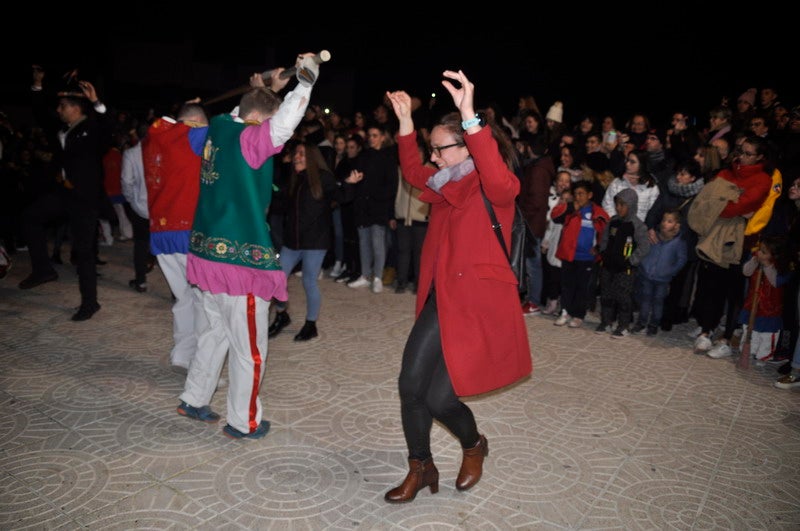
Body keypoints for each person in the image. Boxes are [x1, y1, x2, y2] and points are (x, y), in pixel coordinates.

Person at [383, 70, 531, 503]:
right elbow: (413, 172)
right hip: (439, 298)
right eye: (431, 149)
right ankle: (421, 466)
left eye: (439, 149)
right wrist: (406, 122)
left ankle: (473, 445)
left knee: (440, 397)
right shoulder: (444, 188)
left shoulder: (494, 187)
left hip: (477, 304)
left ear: (467, 146)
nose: (432, 158)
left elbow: (497, 173)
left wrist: (470, 117)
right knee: (411, 386)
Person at [177, 53, 321, 440]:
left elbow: (253, 111)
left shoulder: (220, 127)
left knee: (214, 334)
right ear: (260, 121)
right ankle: (245, 421)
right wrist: (304, 83)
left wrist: (266, 89)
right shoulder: (250, 138)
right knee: (249, 350)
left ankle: (194, 398)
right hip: (239, 265)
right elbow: (281, 126)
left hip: (205, 257)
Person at [20, 68, 112, 321]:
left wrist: (96, 102)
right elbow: (40, 114)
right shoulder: (61, 130)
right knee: (30, 217)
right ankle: (43, 269)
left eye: (62, 106)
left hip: (84, 199)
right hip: (62, 194)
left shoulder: (92, 130)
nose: (58, 110)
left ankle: (90, 303)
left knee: (84, 253)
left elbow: (107, 127)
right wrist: (37, 85)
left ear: (75, 108)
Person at [267, 142, 361, 341]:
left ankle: (311, 325)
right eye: (295, 154)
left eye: (301, 154)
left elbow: (342, 196)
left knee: (309, 281)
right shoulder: (292, 179)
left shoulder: (323, 178)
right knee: (277, 278)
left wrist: (350, 183)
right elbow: (280, 202)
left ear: (311, 157)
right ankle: (282, 314)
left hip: (315, 241)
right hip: (292, 241)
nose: (296, 157)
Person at [144, 101, 209, 373]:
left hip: (162, 231)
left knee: (184, 298)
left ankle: (181, 355)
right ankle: (200, 368)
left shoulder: (152, 139)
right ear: (194, 123)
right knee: (204, 303)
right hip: (187, 231)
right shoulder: (191, 136)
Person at [551, 180, 609, 328]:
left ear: (590, 195)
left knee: (582, 287)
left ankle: (578, 314)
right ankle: (565, 312)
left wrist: (599, 247)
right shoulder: (571, 210)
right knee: (567, 285)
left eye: (581, 194)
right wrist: (570, 207)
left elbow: (605, 233)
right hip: (569, 255)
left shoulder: (598, 213)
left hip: (587, 258)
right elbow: (555, 216)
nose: (578, 197)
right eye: (576, 194)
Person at [595, 188, 650, 337]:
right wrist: (603, 252)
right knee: (606, 295)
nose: (618, 208)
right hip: (608, 266)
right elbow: (605, 239)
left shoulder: (637, 226)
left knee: (623, 297)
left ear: (631, 206)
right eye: (617, 204)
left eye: (622, 205)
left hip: (625, 269)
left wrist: (631, 261)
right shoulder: (613, 222)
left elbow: (644, 246)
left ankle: (623, 325)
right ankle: (606, 321)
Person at [631, 209, 687, 336]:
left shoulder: (679, 243)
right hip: (647, 275)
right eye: (663, 220)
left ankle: (654, 324)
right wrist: (643, 265)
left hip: (663, 279)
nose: (664, 223)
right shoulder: (653, 236)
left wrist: (670, 272)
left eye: (669, 221)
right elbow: (644, 249)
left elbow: (681, 260)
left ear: (677, 225)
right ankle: (641, 322)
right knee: (645, 300)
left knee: (658, 302)